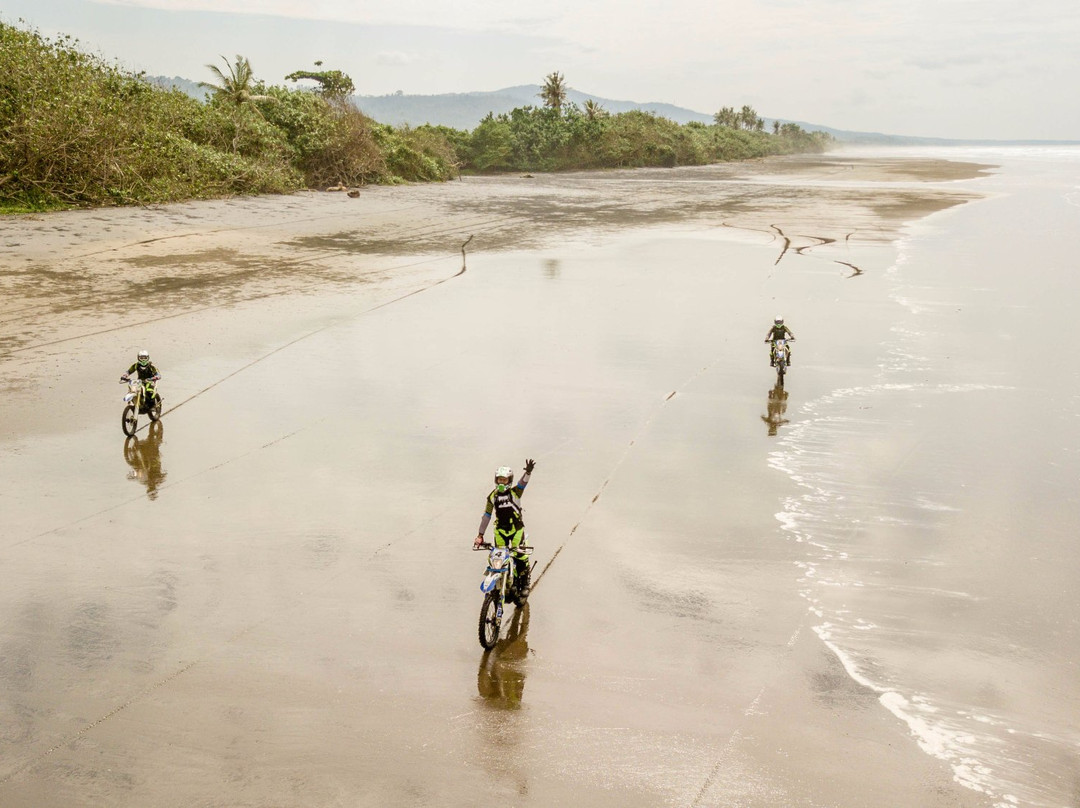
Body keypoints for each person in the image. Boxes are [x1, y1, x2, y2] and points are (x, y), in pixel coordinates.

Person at [474, 459, 536, 599]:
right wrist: (480, 535)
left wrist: (528, 472)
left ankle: (525, 583)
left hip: (516, 529)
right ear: (496, 480)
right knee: (499, 557)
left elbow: (523, 483)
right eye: (499, 480)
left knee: (520, 556)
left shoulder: (516, 493)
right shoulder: (492, 496)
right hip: (500, 530)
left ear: (509, 481)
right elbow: (486, 516)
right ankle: (505, 581)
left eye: (504, 480)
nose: (502, 482)